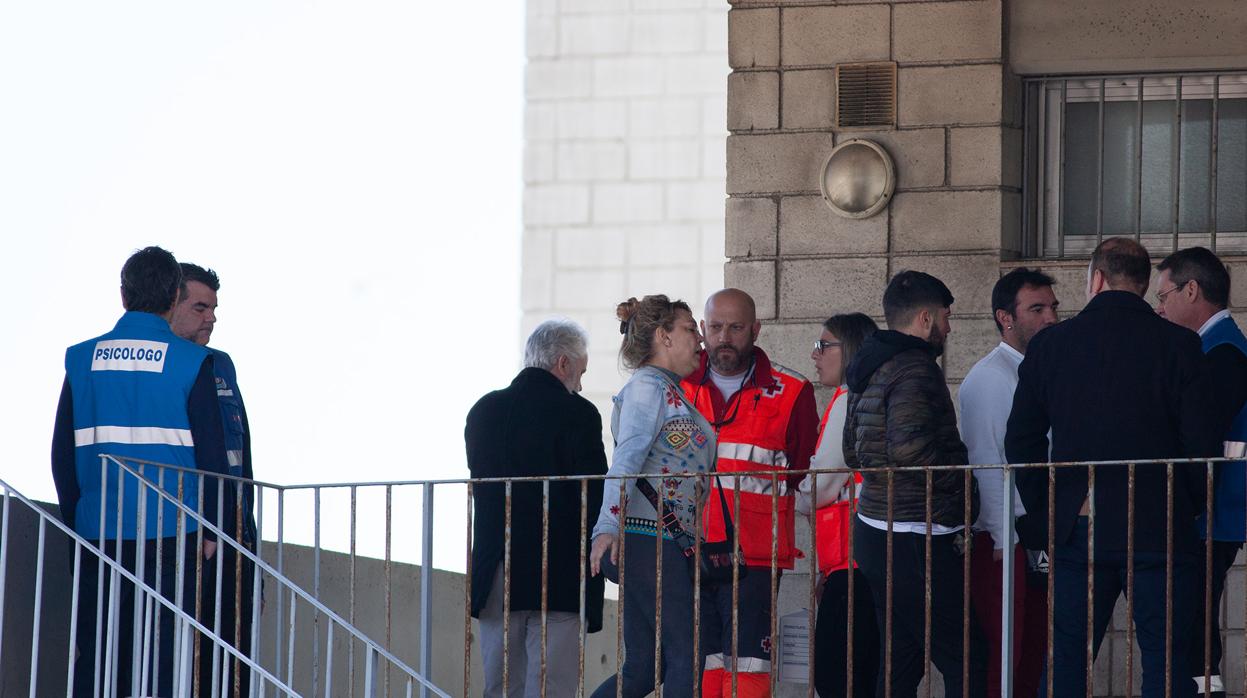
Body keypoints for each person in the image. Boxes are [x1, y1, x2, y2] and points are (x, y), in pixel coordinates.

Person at [1006, 237, 1223, 698]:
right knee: (1166, 660)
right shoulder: (1182, 345)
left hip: (1078, 526)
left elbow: (1020, 440)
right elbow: (1203, 445)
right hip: (1159, 526)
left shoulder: (1051, 345)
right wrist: (1182, 506)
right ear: (1145, 285)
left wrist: (1052, 511)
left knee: (1067, 657)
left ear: (1097, 279)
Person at [51, 246, 229, 698]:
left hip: (98, 530)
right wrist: (214, 530)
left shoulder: (81, 357)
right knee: (164, 660)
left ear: (123, 293)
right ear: (173, 295)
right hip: (175, 531)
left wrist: (76, 519)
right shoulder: (192, 361)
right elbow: (213, 456)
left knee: (97, 655)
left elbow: (62, 452)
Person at [842, 270, 987, 698]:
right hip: (916, 536)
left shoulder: (868, 365)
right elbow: (911, 454)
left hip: (877, 531)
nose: (949, 326)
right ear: (925, 319)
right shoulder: (916, 368)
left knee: (902, 660)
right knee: (967, 657)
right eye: (946, 316)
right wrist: (964, 482)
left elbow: (853, 452)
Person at [679, 288, 818, 697]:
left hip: (755, 553)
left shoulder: (792, 391)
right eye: (716, 327)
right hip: (688, 548)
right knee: (700, 660)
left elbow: (802, 471)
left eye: (736, 327)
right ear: (703, 329)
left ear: (756, 329)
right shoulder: (678, 387)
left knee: (750, 664)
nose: (725, 337)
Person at [466, 319, 608, 698]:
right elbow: (595, 492)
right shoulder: (579, 413)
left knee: (499, 684)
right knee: (552, 686)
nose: (579, 384)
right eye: (580, 373)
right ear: (562, 363)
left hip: (497, 569)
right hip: (559, 570)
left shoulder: (483, 411)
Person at [589, 295, 715, 698]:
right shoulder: (646, 388)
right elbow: (625, 459)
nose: (700, 339)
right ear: (663, 336)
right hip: (650, 540)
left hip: (659, 542)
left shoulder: (667, 389)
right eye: (690, 329)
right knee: (687, 655)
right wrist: (607, 525)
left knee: (646, 668)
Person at [959, 268, 1059, 698]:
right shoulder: (991, 377)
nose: (1050, 317)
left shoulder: (1040, 369)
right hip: (1006, 541)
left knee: (1033, 649)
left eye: (1053, 307)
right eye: (1036, 309)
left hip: (1035, 532)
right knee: (1008, 653)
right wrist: (1004, 540)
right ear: (1006, 318)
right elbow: (986, 461)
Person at [1154, 247, 1247, 697]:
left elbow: (1203, 431)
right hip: (1213, 510)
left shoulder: (1222, 352)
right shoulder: (1215, 347)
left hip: (1215, 511)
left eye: (1165, 294)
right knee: (1193, 621)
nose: (1160, 307)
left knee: (1193, 623)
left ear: (1192, 290)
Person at [169, 262, 258, 698]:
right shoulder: (163, 367)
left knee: (229, 669)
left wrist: (246, 529)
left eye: (214, 308)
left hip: (234, 537)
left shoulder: (221, 364)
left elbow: (242, 456)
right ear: (171, 304)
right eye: (200, 306)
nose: (211, 318)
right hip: (185, 536)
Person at [796, 312, 879, 698]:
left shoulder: (848, 400)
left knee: (836, 678)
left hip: (853, 564)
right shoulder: (868, 397)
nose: (815, 355)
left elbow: (822, 485)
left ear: (849, 349)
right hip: (863, 560)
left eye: (823, 345)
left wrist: (780, 498)